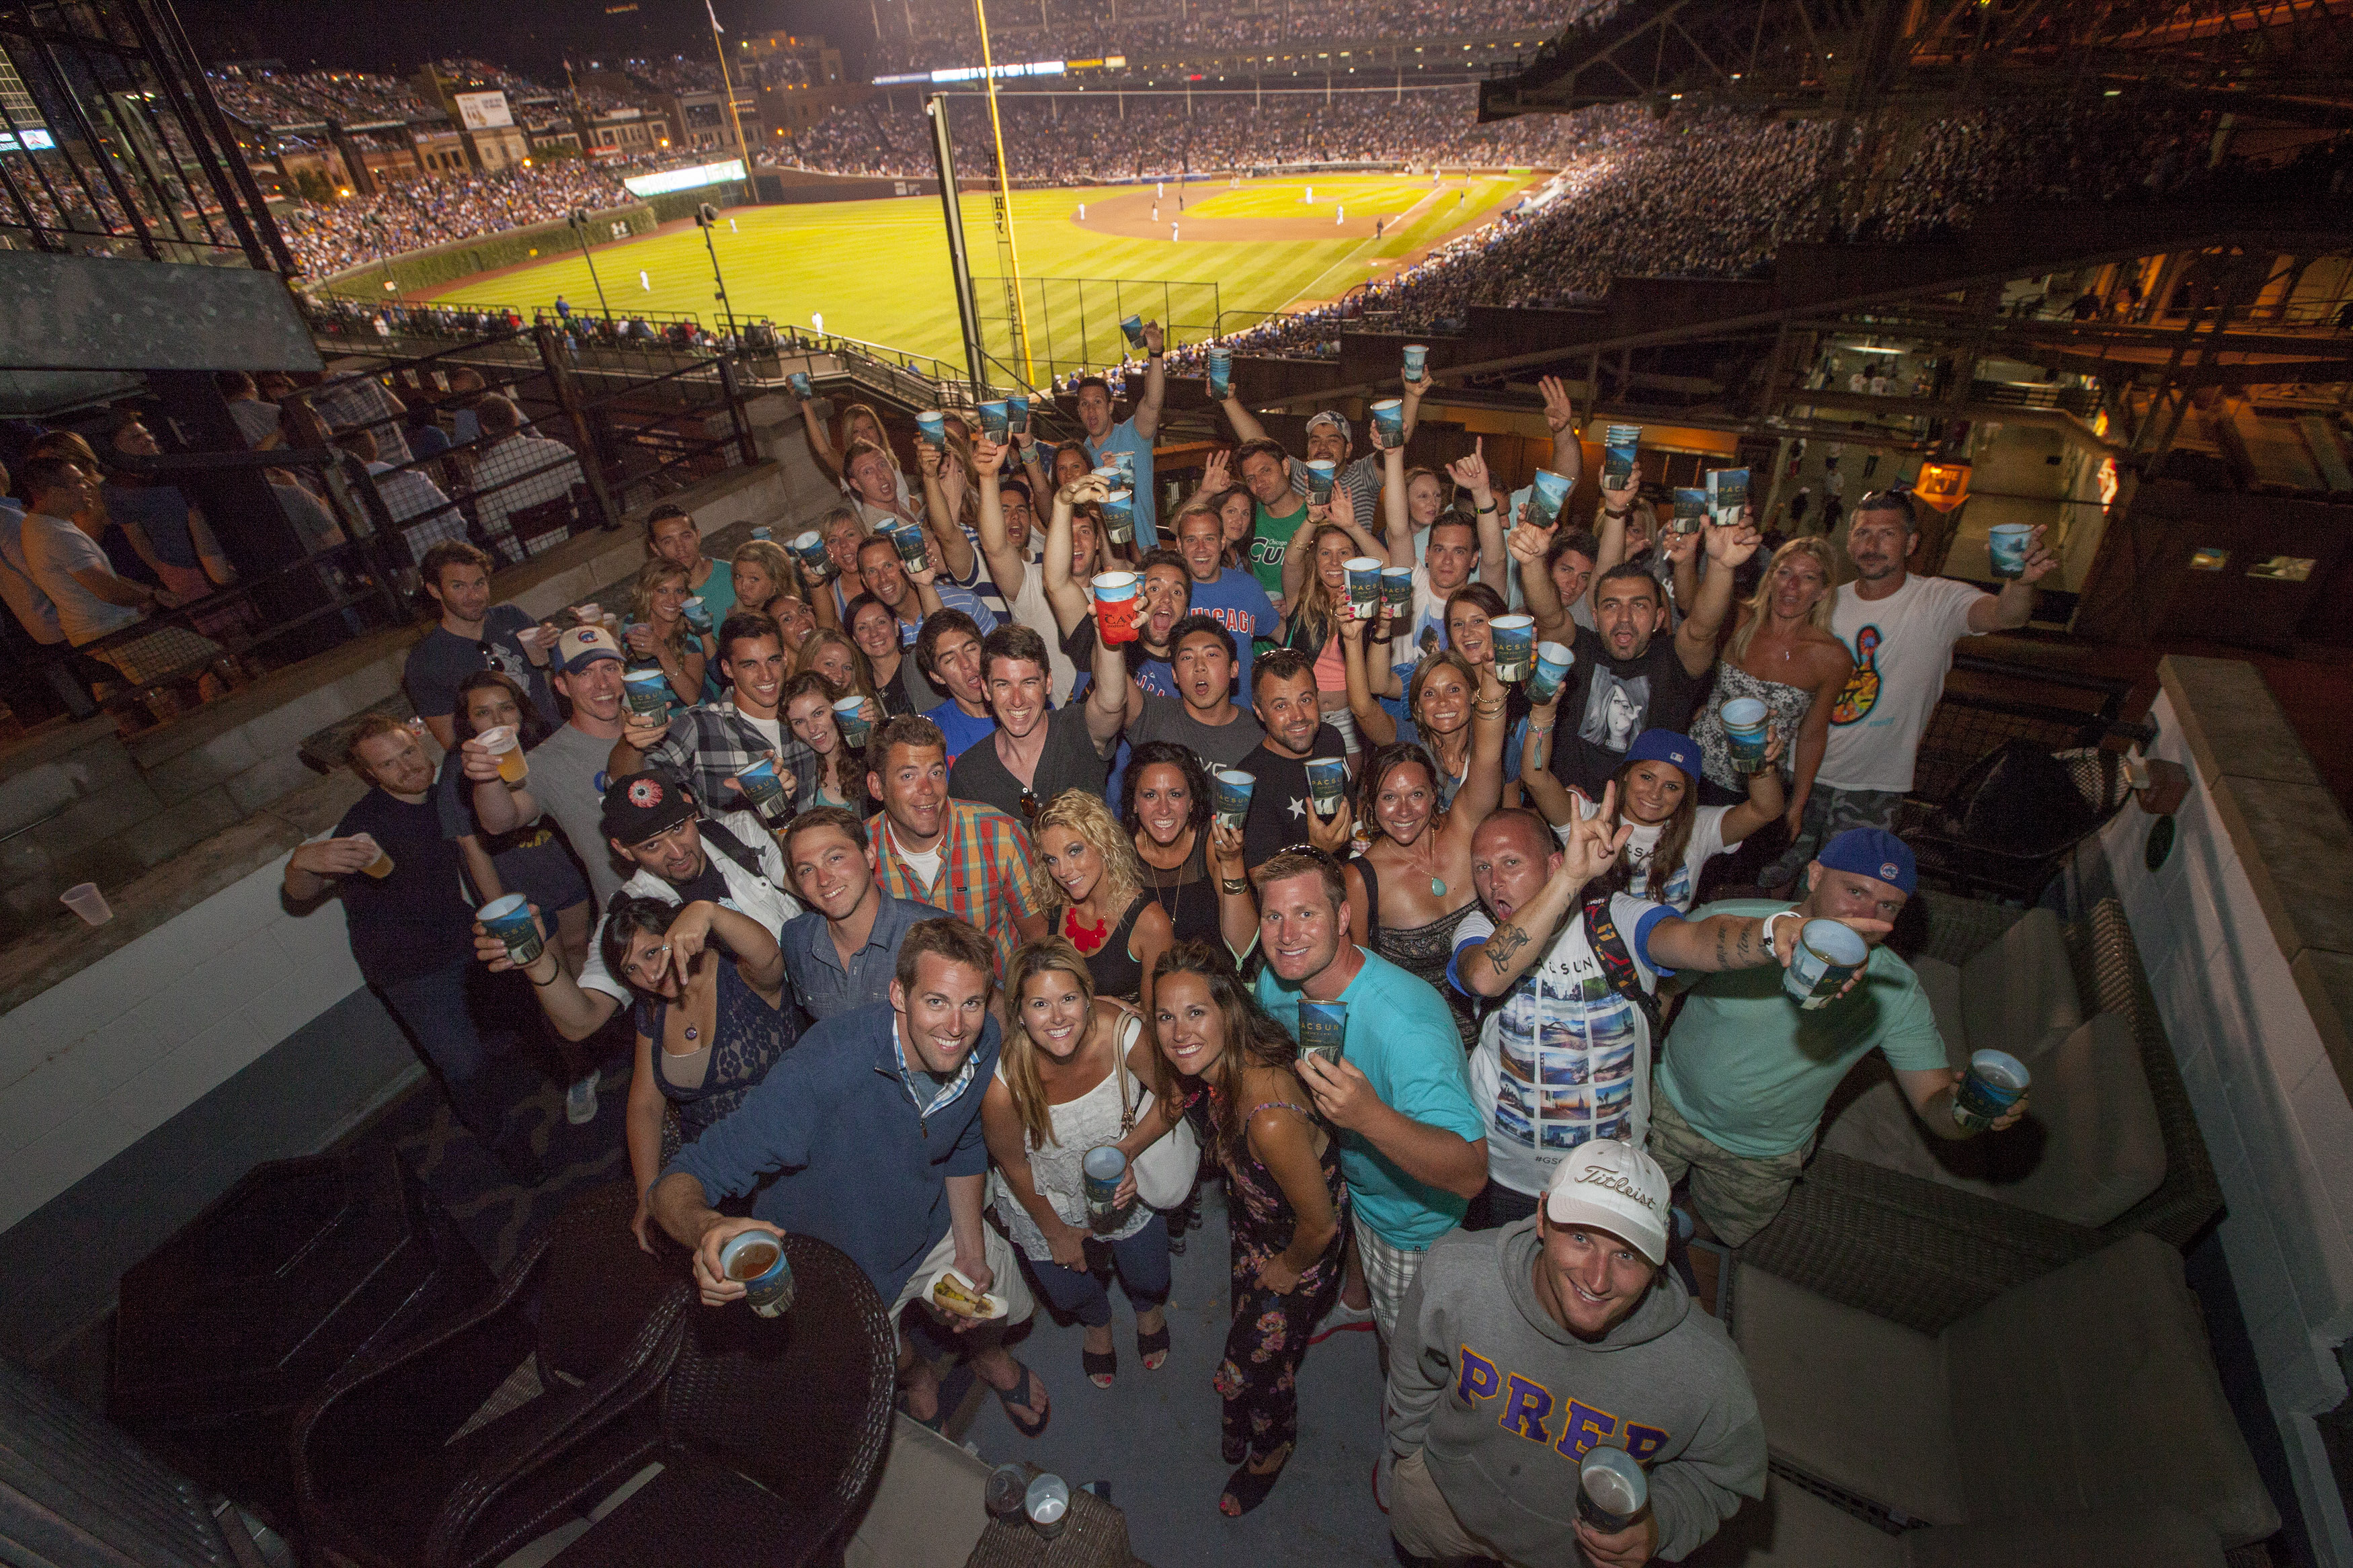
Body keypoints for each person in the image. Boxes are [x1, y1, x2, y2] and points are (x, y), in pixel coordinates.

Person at [650, 917, 1051, 1437]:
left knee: (1003, 1306)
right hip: (842, 1265)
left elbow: (966, 1141)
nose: (956, 1026)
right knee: (883, 1358)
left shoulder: (983, 1041)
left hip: (930, 1228)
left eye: (971, 1003)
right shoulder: (825, 1068)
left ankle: (986, 1356)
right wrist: (706, 1230)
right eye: (937, 1001)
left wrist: (970, 1248)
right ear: (899, 994)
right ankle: (917, 1374)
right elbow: (677, 1183)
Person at [1449, 803, 1886, 1229]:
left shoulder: (1614, 918)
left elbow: (1692, 938)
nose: (1494, 881)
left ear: (1554, 862)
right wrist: (1569, 879)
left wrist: (1772, 934)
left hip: (1607, 1174)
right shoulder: (1477, 930)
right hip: (1504, 1171)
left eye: (1510, 862)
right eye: (1482, 866)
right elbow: (1486, 977)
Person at [1385, 1139, 1765, 1567]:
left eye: (1627, 1254)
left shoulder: (1709, 1372)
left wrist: (1661, 1526)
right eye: (1581, 1237)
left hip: (1570, 1555)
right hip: (1441, 1504)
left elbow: (1722, 1478)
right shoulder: (1457, 1274)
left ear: (1660, 1256)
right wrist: (1408, 1456)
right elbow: (1414, 1369)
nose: (1598, 1279)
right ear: (1543, 1217)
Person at [1650, 830, 2029, 1247]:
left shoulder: (1898, 992)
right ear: (1814, 876)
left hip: (1766, 1150)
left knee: (1720, 1232)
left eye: (1888, 906)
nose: (1868, 914)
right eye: (1855, 891)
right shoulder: (1733, 920)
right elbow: (1663, 989)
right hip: (1668, 1104)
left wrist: (1967, 1110)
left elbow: (1933, 1102)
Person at [284, 716, 542, 1184]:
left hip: (459, 934)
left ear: (417, 737)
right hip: (407, 967)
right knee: (462, 1063)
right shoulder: (366, 824)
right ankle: (503, 1140)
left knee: (524, 1009)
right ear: (371, 775)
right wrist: (300, 864)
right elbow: (304, 891)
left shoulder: (445, 791)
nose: (405, 767)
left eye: (406, 752)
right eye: (388, 764)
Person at [1250, 850, 1488, 1342]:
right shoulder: (1279, 982)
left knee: (1406, 1356)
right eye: (1274, 915)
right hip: (1350, 1177)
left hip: (1408, 1216)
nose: (1287, 935)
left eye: (1305, 913)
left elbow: (1470, 1172)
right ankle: (1356, 1299)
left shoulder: (1407, 1024)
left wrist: (1369, 1116)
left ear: (1343, 917)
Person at [1763, 491, 2054, 885]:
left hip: (1874, 785)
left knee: (1841, 894)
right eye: (1863, 533)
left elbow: (2007, 615)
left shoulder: (1938, 599)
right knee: (1771, 877)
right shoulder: (1825, 601)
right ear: (1849, 542)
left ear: (1911, 543)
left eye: (1887, 534)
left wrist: (2019, 582)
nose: (1872, 545)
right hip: (1797, 772)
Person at [1150, 940, 1349, 1516]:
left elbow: (1321, 1223)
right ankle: (1245, 1401)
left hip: (1299, 1248)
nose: (1177, 1031)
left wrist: (1285, 1269)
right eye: (1166, 1015)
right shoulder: (1215, 1071)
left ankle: (1272, 1446)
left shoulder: (1268, 1115)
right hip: (1255, 1227)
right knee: (1247, 1328)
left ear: (1227, 1013)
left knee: (1259, 1361)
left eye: (1195, 1013)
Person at [470, 770, 802, 1043]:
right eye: (652, 844)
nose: (676, 851)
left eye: (678, 828)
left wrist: (780, 814)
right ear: (624, 851)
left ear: (692, 810)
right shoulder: (633, 909)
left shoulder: (741, 831)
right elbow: (582, 1022)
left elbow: (810, 883)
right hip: (762, 1034)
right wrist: (538, 962)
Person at [982, 938, 1178, 1391]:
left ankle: (1147, 1309)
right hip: (1048, 1200)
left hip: (1126, 1184)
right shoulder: (1002, 1086)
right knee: (1069, 1292)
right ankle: (1098, 1323)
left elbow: (1173, 1096)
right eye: (1039, 1003)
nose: (1057, 1018)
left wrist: (1128, 1150)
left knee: (1151, 1274)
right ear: (1019, 1012)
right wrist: (1055, 1230)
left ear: (1088, 997)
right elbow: (1013, 1167)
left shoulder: (1119, 1034)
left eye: (1068, 998)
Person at [1515, 487, 1759, 798]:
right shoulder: (1582, 648)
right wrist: (1533, 560)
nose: (1625, 618)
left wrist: (1722, 566)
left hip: (1645, 817)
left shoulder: (1674, 662)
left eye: (1639, 606)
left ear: (1659, 618)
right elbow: (1548, 614)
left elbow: (1702, 629)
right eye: (1612, 605)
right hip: (1566, 808)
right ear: (1596, 615)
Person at [612, 894, 798, 1250]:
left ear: (680, 935)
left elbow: (771, 956)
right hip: (715, 1170)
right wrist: (649, 1195)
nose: (648, 976)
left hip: (787, 1151)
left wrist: (708, 912)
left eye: (651, 953)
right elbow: (645, 1105)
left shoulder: (740, 973)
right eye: (631, 969)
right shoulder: (651, 1011)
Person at [1341, 736, 1504, 1050]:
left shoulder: (1463, 829)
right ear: (1371, 804)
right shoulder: (1360, 878)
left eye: (1416, 794)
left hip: (1502, 1022)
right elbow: (1360, 984)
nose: (1404, 810)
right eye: (1389, 797)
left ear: (1434, 795)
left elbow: (1487, 759)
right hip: (1423, 1045)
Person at [1521, 726, 1789, 915]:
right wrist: (1544, 712)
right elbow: (1535, 777)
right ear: (1626, 774)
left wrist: (1761, 766)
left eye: (1672, 787)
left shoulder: (1700, 828)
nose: (1655, 794)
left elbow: (1766, 810)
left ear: (1686, 795)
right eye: (1646, 777)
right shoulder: (1588, 818)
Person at [438, 669, 594, 983]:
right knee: (547, 968)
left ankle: (597, 1024)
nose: (497, 720)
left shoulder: (543, 746)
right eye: (483, 712)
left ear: (521, 710)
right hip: (517, 887)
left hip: (562, 872)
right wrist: (504, 912)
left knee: (581, 948)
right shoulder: (460, 770)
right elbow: (472, 849)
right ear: (468, 722)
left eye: (506, 707)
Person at [865, 713, 1049, 976]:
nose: (927, 788)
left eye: (936, 772)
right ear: (877, 786)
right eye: (908, 776)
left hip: (996, 1004)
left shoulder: (999, 836)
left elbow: (1040, 944)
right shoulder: (860, 852)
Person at [1685, 536, 1851, 825]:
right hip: (1690, 771)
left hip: (1756, 793)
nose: (1792, 585)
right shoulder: (1739, 620)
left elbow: (1812, 734)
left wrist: (1797, 805)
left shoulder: (1833, 657)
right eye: (1785, 572)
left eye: (1807, 577)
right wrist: (1686, 558)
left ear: (1823, 591)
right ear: (1770, 577)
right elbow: (1690, 605)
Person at [610, 611, 815, 824]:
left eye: (772, 660)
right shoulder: (701, 726)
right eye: (750, 664)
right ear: (727, 669)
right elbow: (629, 789)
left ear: (785, 658)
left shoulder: (805, 714)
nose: (766, 676)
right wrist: (631, 745)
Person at [949, 621, 1124, 823]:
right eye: (1003, 685)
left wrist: (1109, 629)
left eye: (1029, 683)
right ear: (986, 689)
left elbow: (1111, 703)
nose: (1017, 700)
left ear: (1048, 682)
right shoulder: (969, 773)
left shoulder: (1077, 729)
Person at [776, 806, 939, 1019]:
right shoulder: (797, 938)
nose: (823, 879)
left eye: (835, 858)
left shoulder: (935, 935)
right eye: (807, 870)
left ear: (869, 855)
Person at [402, 541, 558, 747]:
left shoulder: (512, 618)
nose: (474, 596)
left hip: (557, 739)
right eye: (458, 586)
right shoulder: (426, 661)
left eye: (479, 583)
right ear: (435, 591)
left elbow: (557, 678)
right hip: (504, 759)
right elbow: (453, 744)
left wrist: (551, 651)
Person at [1032, 789, 1174, 1015]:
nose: (1063, 871)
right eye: (1052, 859)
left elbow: (1158, 1020)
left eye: (1074, 851)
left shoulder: (1150, 921)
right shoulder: (1053, 907)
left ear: (1104, 843)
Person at [1121, 739, 1263, 957]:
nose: (1164, 809)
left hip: (1212, 983)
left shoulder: (1211, 841)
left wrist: (1232, 862)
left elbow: (1243, 947)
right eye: (1150, 795)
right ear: (1134, 803)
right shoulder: (1119, 849)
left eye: (1175, 794)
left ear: (1192, 802)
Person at [1238, 649, 1351, 867]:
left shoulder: (1331, 739)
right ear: (1259, 712)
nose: (1298, 716)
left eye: (1305, 700)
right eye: (1281, 706)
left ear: (1317, 696)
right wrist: (1318, 852)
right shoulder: (1249, 780)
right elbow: (1262, 879)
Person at [1121, 614, 1265, 774]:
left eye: (1211, 654)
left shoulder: (1259, 735)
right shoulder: (1155, 717)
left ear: (1233, 669)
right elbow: (1113, 683)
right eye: (1187, 657)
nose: (1199, 666)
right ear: (1174, 674)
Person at [1171, 496, 1275, 691]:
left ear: (1222, 542)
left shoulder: (1248, 587)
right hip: (1187, 715)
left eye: (1209, 539)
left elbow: (1285, 634)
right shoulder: (1170, 594)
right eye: (1191, 539)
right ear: (1179, 544)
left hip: (1245, 713)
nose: (1201, 548)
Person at [469, 395, 588, 558]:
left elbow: (491, 526)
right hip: (569, 534)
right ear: (516, 419)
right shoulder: (554, 448)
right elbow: (584, 482)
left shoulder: (483, 474)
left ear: (485, 429)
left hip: (522, 554)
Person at [1074, 339, 1166, 548]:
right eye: (1084, 404)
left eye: (1097, 402)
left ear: (1110, 407)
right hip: (1104, 558)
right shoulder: (1079, 457)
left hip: (1146, 552)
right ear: (1078, 411)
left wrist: (1156, 354)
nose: (1091, 411)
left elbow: (1153, 401)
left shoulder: (1134, 434)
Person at [912, 608, 997, 766]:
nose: (965, 663)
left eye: (971, 649)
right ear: (937, 676)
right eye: (950, 659)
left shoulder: (1023, 705)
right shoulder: (931, 731)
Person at [621, 557, 707, 708]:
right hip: (645, 718)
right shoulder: (632, 624)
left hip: (686, 721)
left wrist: (661, 651)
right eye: (662, 591)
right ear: (647, 593)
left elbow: (692, 697)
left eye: (679, 591)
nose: (672, 600)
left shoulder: (691, 630)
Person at [781, 669, 869, 813]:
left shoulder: (866, 755)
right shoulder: (799, 772)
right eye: (799, 722)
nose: (812, 728)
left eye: (818, 713)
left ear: (836, 706)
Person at [644, 501, 736, 630]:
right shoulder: (656, 597)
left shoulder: (735, 576)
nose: (680, 547)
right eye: (668, 542)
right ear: (655, 549)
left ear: (698, 536)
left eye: (686, 536)